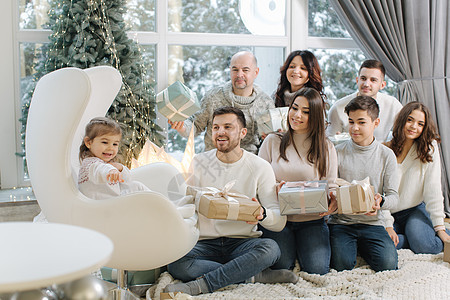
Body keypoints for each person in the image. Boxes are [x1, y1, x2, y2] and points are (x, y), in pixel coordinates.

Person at [164, 107, 297, 296]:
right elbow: (186, 203)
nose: (220, 132)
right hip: (205, 243)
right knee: (176, 263)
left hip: (242, 244)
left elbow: (279, 221)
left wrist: (262, 214)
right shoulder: (198, 162)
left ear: (243, 133)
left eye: (228, 127)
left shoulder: (260, 167)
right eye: (216, 127)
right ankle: (248, 274)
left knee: (271, 249)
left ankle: (200, 286)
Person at [258, 87, 338, 275]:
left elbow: (331, 184)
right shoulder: (272, 140)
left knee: (317, 269)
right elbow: (258, 181)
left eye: (306, 112)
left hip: (312, 220)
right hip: (278, 219)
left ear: (316, 116)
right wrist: (275, 188)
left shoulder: (326, 147)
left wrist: (333, 199)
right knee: (281, 266)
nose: (297, 115)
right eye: (294, 108)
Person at [328, 96, 399, 272]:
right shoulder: (337, 152)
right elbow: (330, 188)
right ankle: (352, 247)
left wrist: (380, 202)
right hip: (342, 223)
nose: (354, 128)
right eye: (351, 122)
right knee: (341, 265)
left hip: (373, 223)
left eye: (361, 122)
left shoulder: (386, 155)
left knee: (388, 265)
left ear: (376, 123)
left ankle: (363, 246)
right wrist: (334, 196)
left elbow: (394, 197)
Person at [168, 51, 274, 154]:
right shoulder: (213, 97)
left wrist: (270, 136)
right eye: (235, 70)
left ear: (255, 72)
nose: (239, 74)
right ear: (230, 71)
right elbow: (196, 125)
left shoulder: (266, 103)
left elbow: (270, 141)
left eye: (245, 70)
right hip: (213, 161)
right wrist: (182, 127)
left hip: (248, 163)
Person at [382, 102, 450, 253]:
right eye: (410, 120)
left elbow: (433, 189)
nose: (414, 127)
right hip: (388, 212)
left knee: (426, 246)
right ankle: (409, 238)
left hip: (414, 210)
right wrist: (387, 223)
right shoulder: (385, 149)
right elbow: (381, 193)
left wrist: (440, 228)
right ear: (402, 120)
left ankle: (417, 236)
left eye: (420, 124)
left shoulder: (428, 148)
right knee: (380, 245)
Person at [327, 59, 402, 142]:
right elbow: (330, 142)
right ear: (357, 80)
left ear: (382, 85)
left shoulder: (393, 105)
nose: (366, 84)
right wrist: (338, 141)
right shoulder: (338, 108)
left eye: (373, 80)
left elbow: (404, 135)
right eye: (363, 78)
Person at [78, 117, 149, 199]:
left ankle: (159, 205)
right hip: (102, 206)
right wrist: (111, 170)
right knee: (138, 187)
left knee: (136, 186)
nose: (110, 148)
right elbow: (100, 169)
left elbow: (127, 181)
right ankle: (159, 206)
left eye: (115, 144)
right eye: (105, 142)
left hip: (112, 201)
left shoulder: (105, 163)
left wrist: (121, 168)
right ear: (88, 142)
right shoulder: (90, 164)